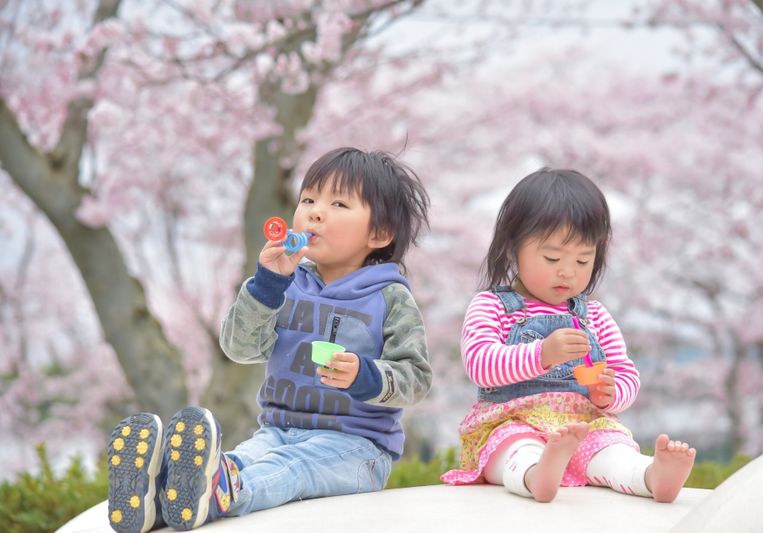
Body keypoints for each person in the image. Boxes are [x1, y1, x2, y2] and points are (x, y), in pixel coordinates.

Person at [107, 147, 432, 532]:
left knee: (290, 470)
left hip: (356, 448)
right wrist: (266, 285)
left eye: (339, 203)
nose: (314, 211)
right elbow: (238, 347)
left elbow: (416, 378)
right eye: (308, 199)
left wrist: (367, 376)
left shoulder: (390, 297)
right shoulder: (285, 282)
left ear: (379, 233)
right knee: (243, 459)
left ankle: (218, 493)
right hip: (276, 432)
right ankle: (161, 498)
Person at [441, 168, 695, 503]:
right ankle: (538, 476)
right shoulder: (494, 306)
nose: (567, 271)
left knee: (613, 452)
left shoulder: (595, 317)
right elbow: (479, 364)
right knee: (514, 451)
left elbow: (626, 372)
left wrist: (609, 392)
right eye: (552, 257)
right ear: (513, 248)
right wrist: (542, 354)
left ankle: (650, 476)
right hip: (512, 421)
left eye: (582, 259)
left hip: (584, 425)